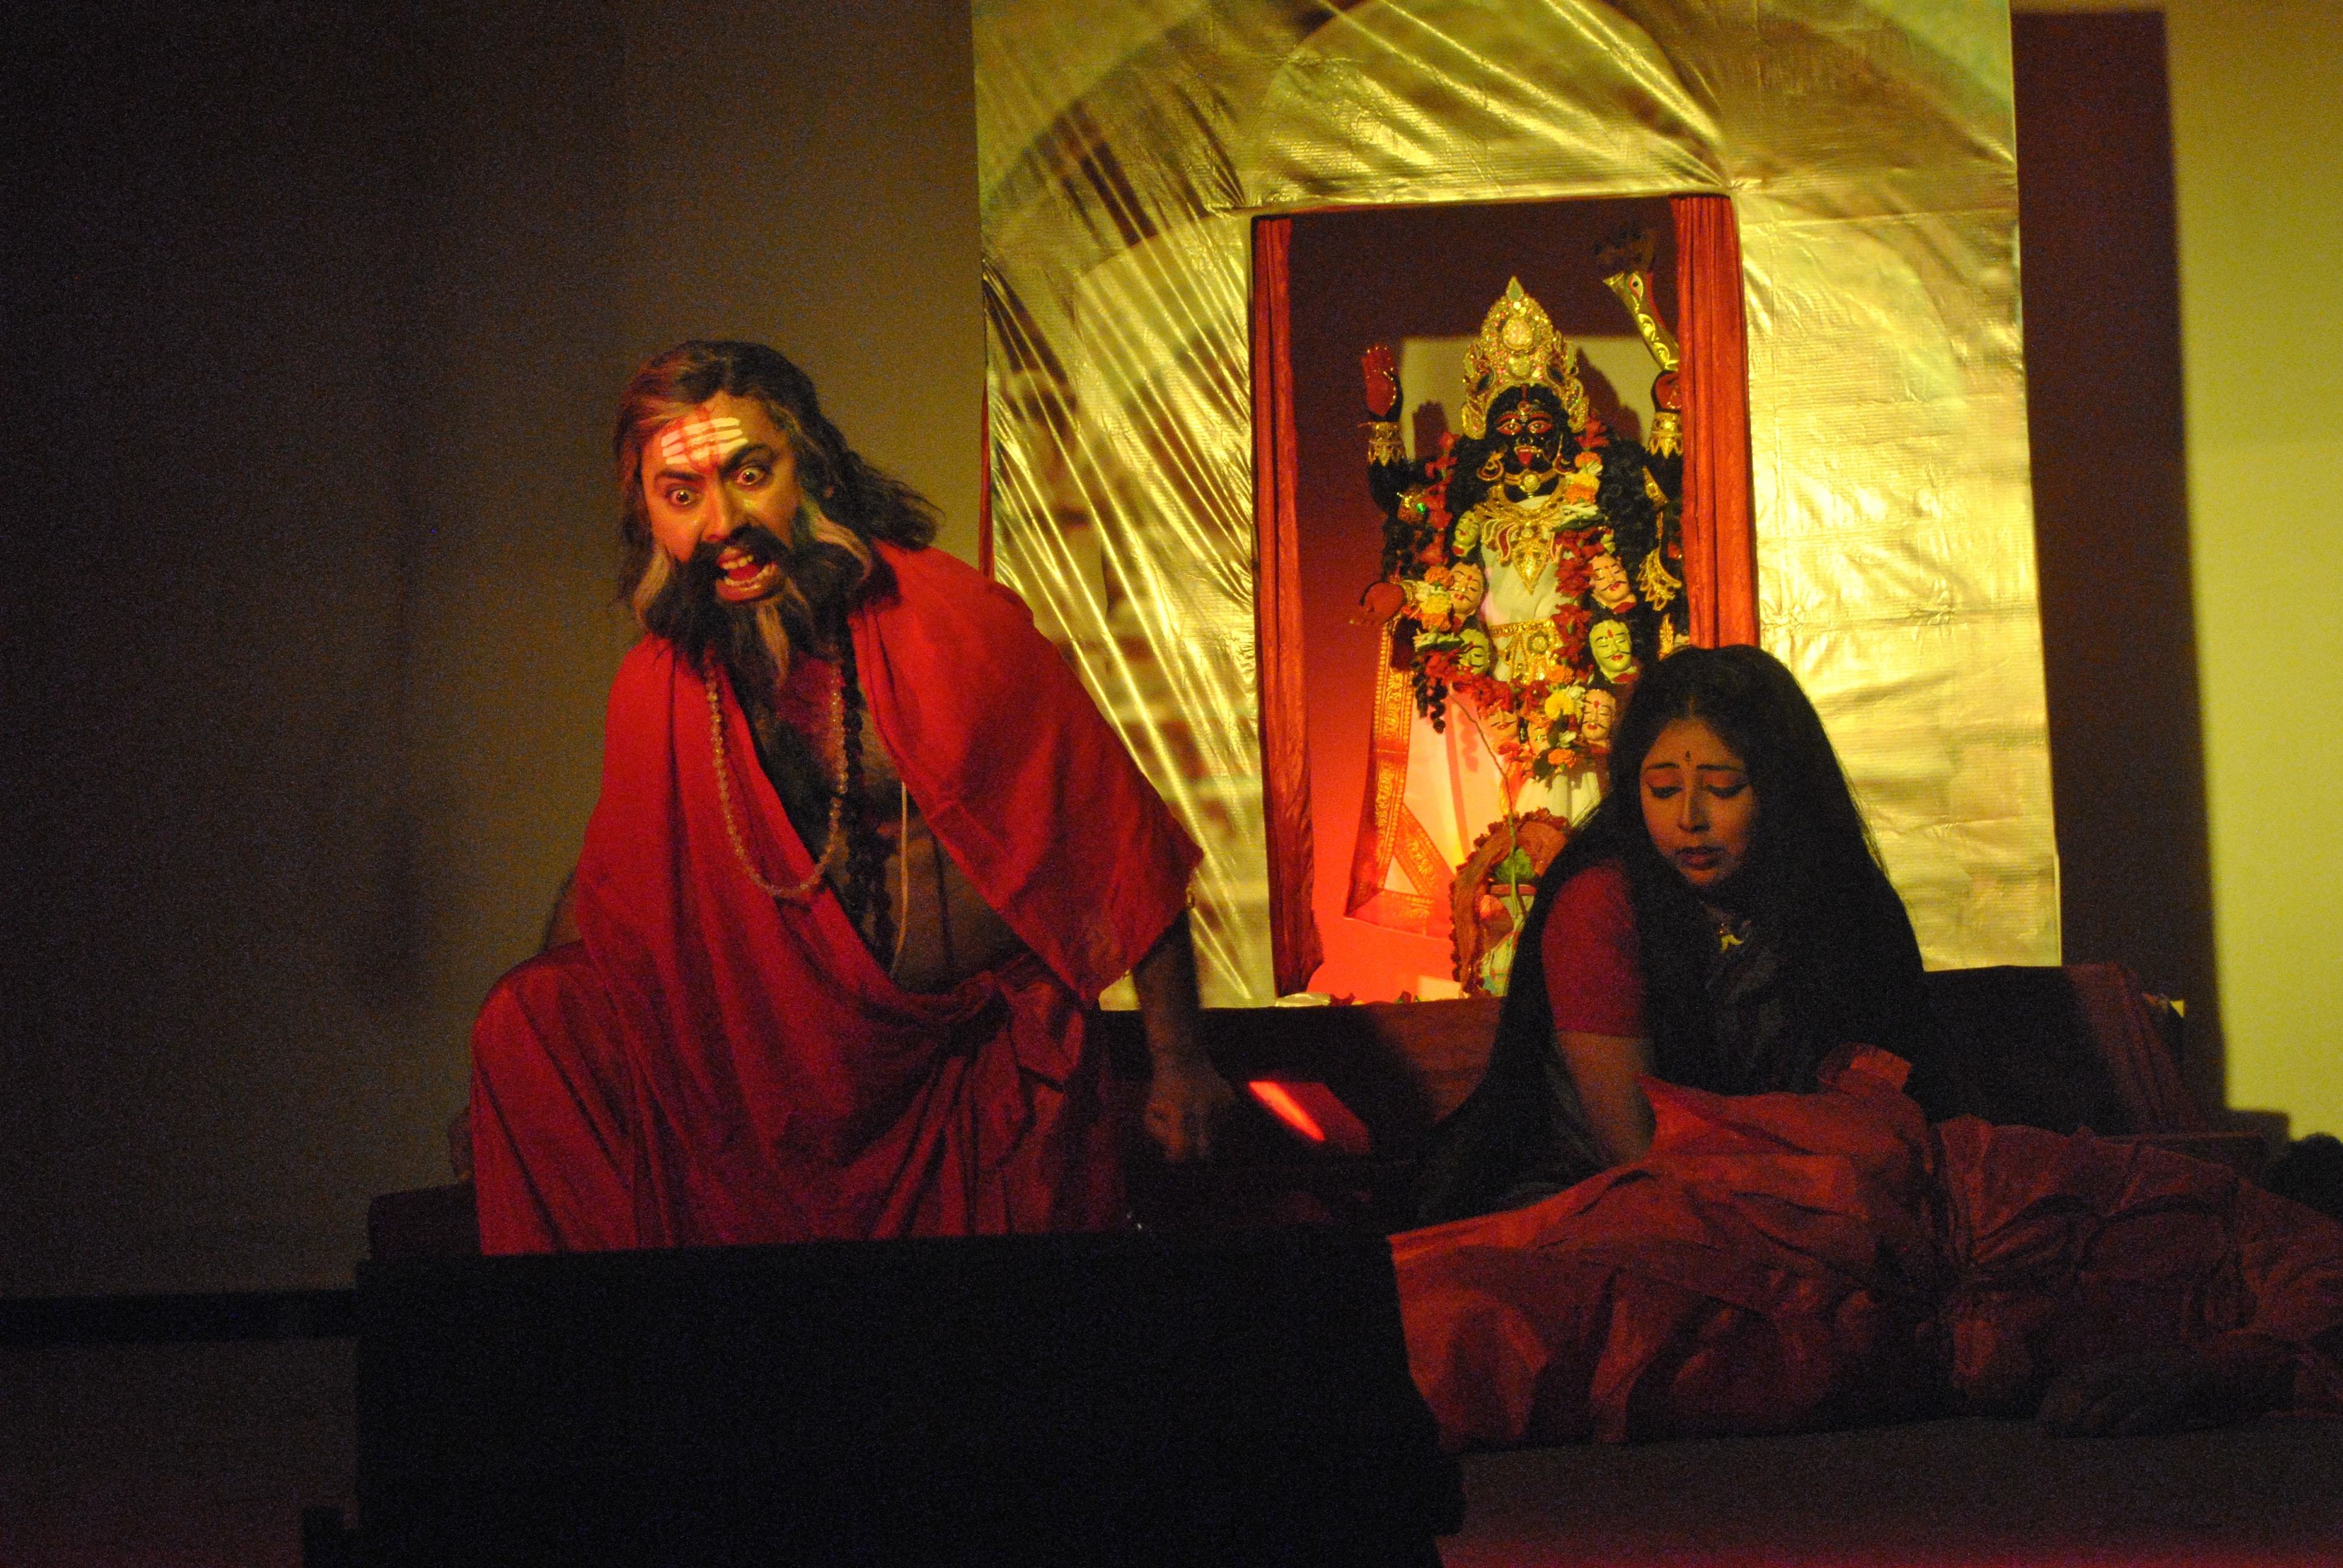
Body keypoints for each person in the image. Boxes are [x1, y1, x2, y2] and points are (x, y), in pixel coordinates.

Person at [468, 341, 1234, 1252]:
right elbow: (618, 886)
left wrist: (1182, 1064)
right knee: (531, 1019)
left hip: (949, 1075)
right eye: (682, 495)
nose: (722, 524)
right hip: (774, 1083)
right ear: (649, 518)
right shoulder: (660, 684)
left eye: (749, 475)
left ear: (816, 469)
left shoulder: (945, 624)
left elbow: (1117, 839)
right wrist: (507, 1102)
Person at [1410, 643, 1971, 1226]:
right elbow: (1634, 1152)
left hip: (1808, 1193)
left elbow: (1887, 1110)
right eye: (1663, 790)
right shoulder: (1602, 903)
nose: (1690, 819)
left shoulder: (1839, 897)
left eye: (1723, 789)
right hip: (1616, 1201)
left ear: (1781, 788)